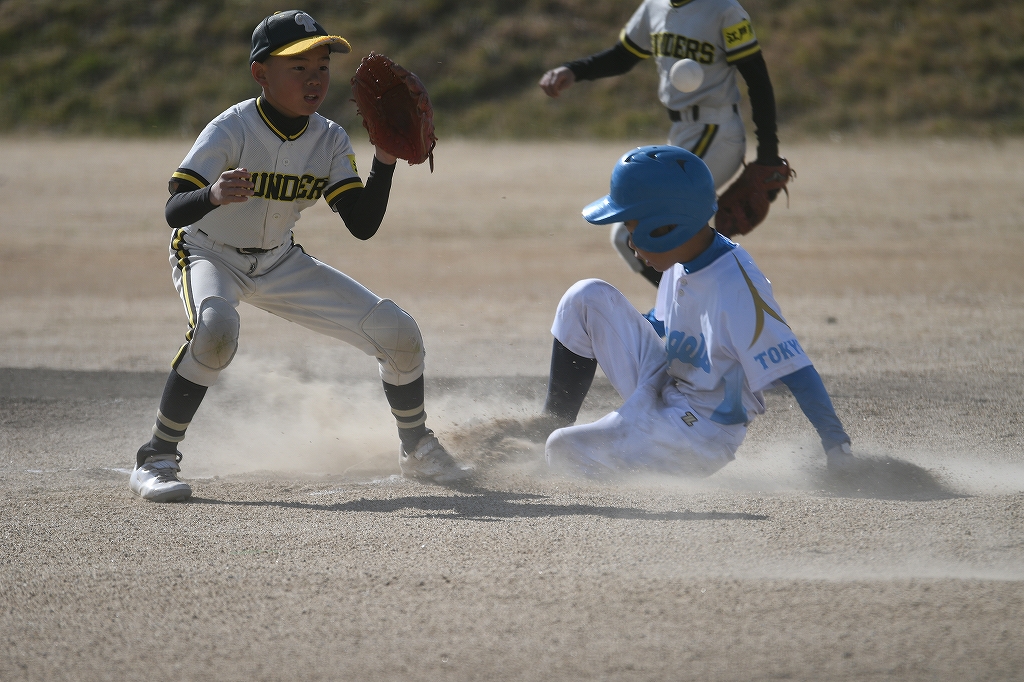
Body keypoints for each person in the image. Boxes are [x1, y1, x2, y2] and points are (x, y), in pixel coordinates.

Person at [130, 10, 470, 502]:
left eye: (322, 67)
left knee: (399, 334)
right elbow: (174, 210)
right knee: (216, 330)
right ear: (260, 73)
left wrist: (385, 160)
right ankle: (156, 458)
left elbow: (362, 224)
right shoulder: (232, 128)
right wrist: (213, 195)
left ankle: (416, 447)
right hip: (208, 252)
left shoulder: (329, 139)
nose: (314, 79)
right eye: (298, 67)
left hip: (278, 261)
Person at [535, 145, 857, 478]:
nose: (630, 245)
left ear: (665, 227)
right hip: (668, 386)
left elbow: (797, 371)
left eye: (632, 231)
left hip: (701, 433)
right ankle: (548, 424)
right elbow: (660, 324)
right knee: (585, 297)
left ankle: (630, 462)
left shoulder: (738, 290)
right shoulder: (683, 260)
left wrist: (837, 446)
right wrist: (613, 333)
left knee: (563, 449)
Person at [539, 0, 786, 290]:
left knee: (634, 234)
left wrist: (768, 153)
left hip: (716, 130)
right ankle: (697, 304)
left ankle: (698, 304)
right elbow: (623, 56)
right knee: (656, 235)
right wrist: (575, 69)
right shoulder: (654, 6)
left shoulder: (723, 9)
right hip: (682, 132)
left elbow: (757, 77)